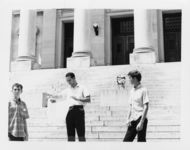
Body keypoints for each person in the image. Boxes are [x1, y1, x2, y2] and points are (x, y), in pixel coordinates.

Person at [49, 72, 91, 141]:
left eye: (69, 80)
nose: (68, 82)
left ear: (74, 78)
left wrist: (78, 99)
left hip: (79, 110)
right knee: (70, 134)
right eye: (67, 81)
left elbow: (88, 99)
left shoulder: (82, 87)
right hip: (70, 111)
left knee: (81, 133)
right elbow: (59, 96)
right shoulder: (67, 90)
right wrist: (54, 100)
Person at [123, 70, 149, 142]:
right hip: (133, 119)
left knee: (141, 141)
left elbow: (146, 106)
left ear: (134, 78)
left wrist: (141, 122)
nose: (129, 80)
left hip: (140, 118)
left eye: (130, 78)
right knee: (126, 141)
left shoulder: (143, 90)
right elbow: (130, 106)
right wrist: (128, 119)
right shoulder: (132, 91)